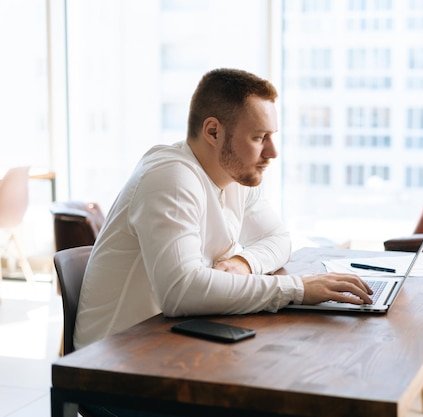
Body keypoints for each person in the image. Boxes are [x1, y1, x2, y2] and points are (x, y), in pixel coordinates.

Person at [74, 68, 373, 354]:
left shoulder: (236, 174)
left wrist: (244, 262)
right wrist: (298, 289)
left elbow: (278, 238)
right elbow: (182, 292)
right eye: (258, 138)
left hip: (173, 340)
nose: (272, 153)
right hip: (113, 364)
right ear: (214, 132)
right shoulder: (171, 178)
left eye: (271, 136)